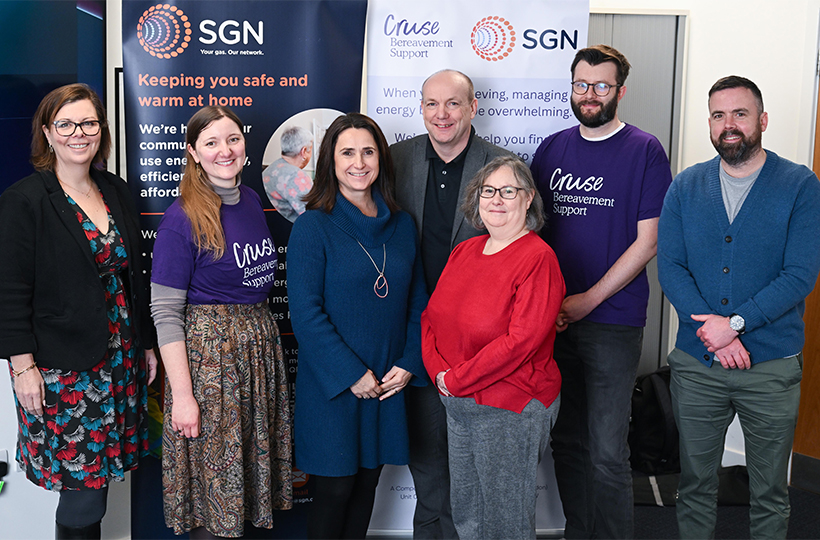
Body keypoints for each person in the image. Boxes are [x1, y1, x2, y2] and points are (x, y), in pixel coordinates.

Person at [657, 76, 820, 539]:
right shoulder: (686, 186)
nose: (729, 125)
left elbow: (799, 275)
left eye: (740, 114)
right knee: (694, 485)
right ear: (709, 123)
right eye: (718, 115)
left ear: (762, 120)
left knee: (770, 491)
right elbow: (670, 266)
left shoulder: (799, 185)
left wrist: (735, 325)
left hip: (770, 366)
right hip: (697, 362)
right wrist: (715, 332)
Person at [0, 83, 157, 540]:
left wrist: (144, 343)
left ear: (101, 130)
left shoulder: (116, 191)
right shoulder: (24, 201)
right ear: (47, 133)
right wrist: (21, 366)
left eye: (88, 123)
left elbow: (134, 278)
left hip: (120, 357)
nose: (78, 133)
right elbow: (9, 290)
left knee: (100, 482)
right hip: (62, 369)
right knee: (82, 490)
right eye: (65, 124)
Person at [529, 44, 673, 539]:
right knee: (567, 441)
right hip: (553, 321)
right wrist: (548, 306)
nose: (589, 95)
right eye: (581, 85)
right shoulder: (550, 149)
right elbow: (532, 234)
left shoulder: (644, 150)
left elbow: (649, 240)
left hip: (613, 321)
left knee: (608, 450)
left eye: (601, 86)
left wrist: (587, 299)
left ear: (620, 91)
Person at [151, 106, 292, 538]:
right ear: (193, 152)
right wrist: (184, 397)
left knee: (242, 490)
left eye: (232, 139)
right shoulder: (182, 217)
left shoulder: (250, 199)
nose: (224, 151)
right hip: (211, 368)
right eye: (211, 143)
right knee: (213, 493)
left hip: (255, 356)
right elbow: (166, 313)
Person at [288, 112, 428, 539]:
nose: (359, 162)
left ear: (381, 159)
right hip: (335, 385)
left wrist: (408, 362)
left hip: (388, 381)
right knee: (335, 491)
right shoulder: (314, 225)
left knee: (368, 486)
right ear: (330, 160)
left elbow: (419, 304)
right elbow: (305, 313)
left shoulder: (401, 224)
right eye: (347, 152)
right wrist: (352, 375)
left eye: (368, 151)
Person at [390, 68, 516, 539]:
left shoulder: (503, 168)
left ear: (472, 107)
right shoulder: (397, 160)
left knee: (481, 477)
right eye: (431, 104)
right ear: (421, 108)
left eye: (453, 104)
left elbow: (522, 252)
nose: (441, 115)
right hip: (419, 340)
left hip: (483, 347)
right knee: (429, 470)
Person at [422, 156, 564, 540]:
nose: (496, 200)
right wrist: (440, 375)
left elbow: (521, 342)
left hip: (510, 406)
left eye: (508, 191)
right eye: (488, 191)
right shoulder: (465, 251)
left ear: (528, 198)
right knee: (468, 514)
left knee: (505, 521)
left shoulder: (538, 259)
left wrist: (456, 378)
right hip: (459, 400)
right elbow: (431, 318)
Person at [262, 125, 314, 222]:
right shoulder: (297, 176)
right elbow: (314, 216)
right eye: (310, 149)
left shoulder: (270, 169)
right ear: (303, 152)